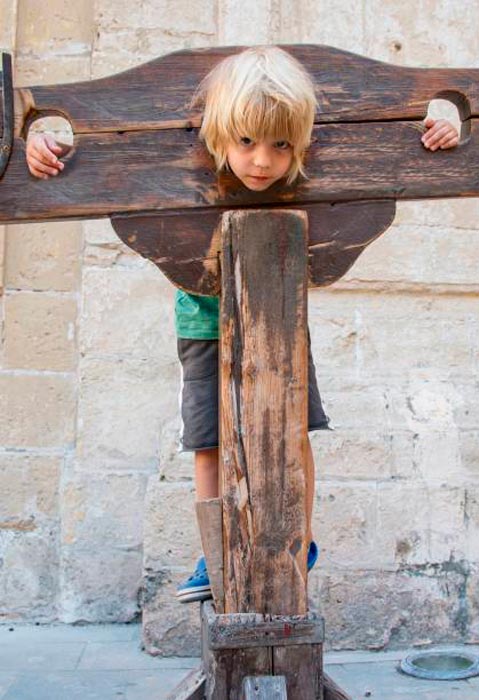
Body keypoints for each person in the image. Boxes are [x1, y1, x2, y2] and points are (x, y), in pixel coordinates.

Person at [25, 46, 460, 605]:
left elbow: (402, 133)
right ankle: (214, 551)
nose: (262, 162)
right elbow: (92, 149)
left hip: (280, 319)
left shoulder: (303, 157)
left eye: (282, 146)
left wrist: (433, 124)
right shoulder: (189, 155)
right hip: (200, 324)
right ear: (216, 137)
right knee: (208, 443)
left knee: (292, 431)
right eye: (247, 142)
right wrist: (49, 144)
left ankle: (300, 542)